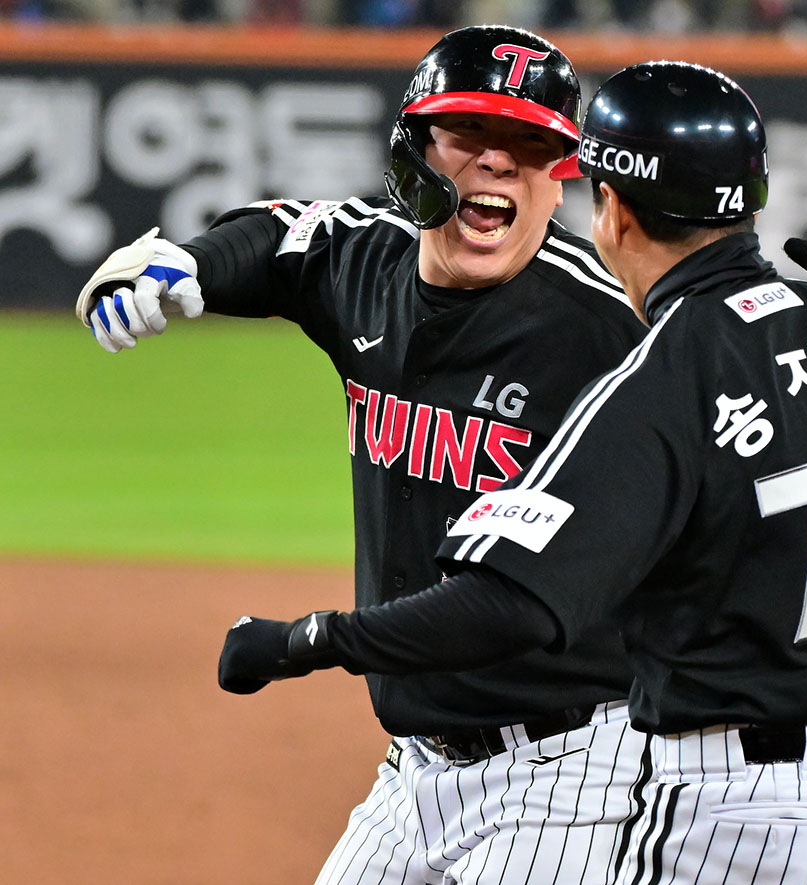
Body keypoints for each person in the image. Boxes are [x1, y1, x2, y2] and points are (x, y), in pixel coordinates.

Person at [216, 61, 807, 883]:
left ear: (614, 212)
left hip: (739, 819)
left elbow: (512, 602)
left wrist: (308, 639)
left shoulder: (663, 376)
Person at [76, 26, 652, 885]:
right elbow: (277, 236)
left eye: (533, 143)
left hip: (571, 771)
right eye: (469, 135)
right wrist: (180, 263)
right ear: (414, 155)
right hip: (414, 770)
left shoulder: (612, 330)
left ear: (560, 175)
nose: (500, 163)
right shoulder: (366, 258)